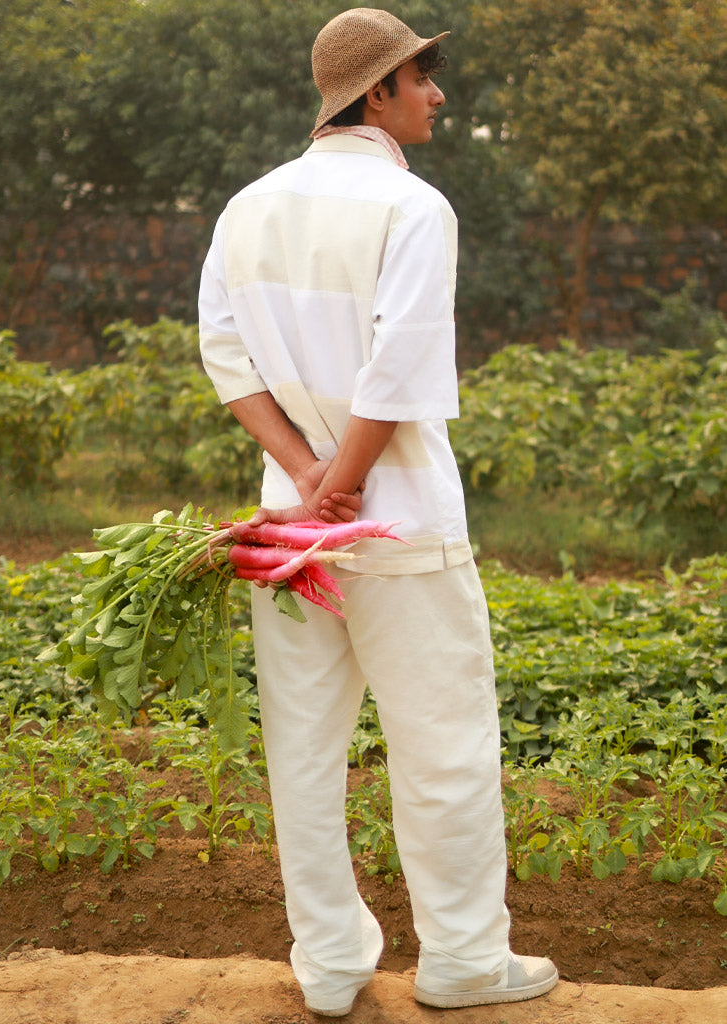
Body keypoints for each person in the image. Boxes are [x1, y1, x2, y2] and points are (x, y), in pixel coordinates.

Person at [198, 8, 558, 1017]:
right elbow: (399, 368)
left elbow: (229, 362)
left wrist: (307, 477)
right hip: (399, 530)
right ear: (376, 95)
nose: (436, 93)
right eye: (421, 77)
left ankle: (329, 966)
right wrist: (348, 483)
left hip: (290, 538)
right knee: (442, 744)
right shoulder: (412, 208)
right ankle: (463, 962)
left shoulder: (247, 208)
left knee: (302, 751)